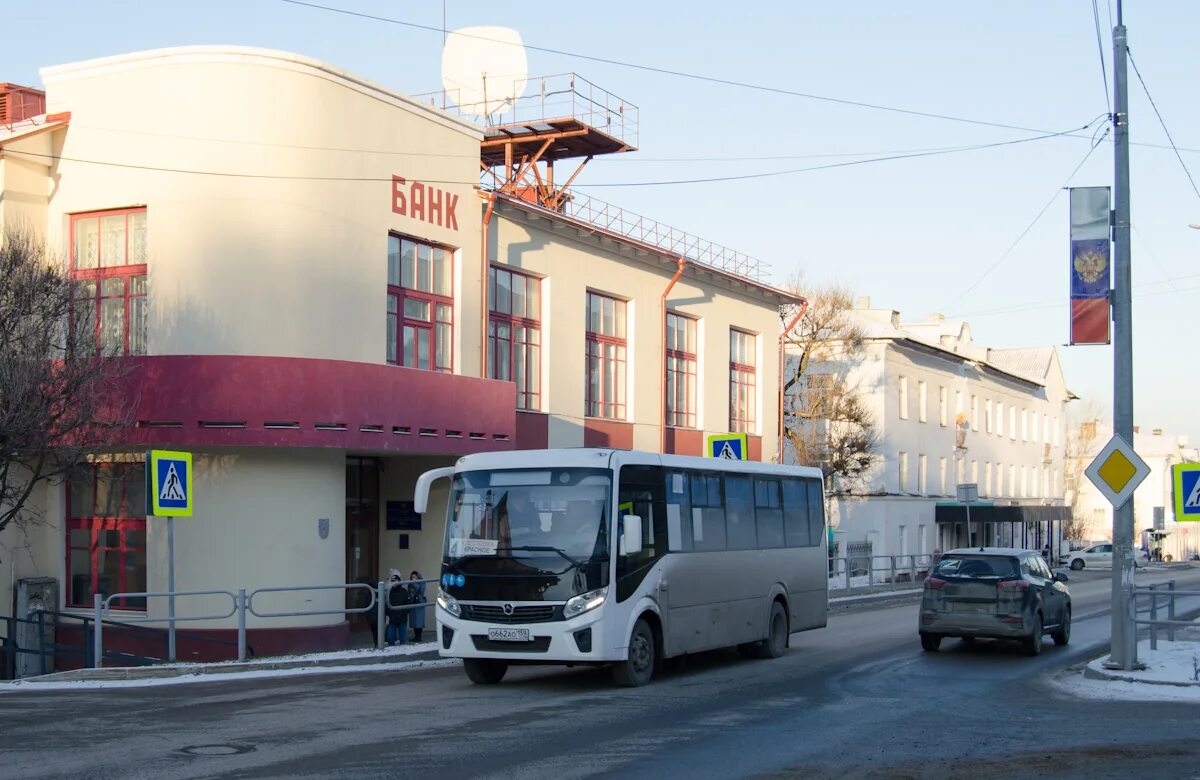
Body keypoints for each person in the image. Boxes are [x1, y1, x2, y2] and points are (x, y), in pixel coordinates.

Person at [385, 570, 410, 646]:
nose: (394, 582)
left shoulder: (404, 591)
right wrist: (388, 614)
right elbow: (386, 604)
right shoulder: (389, 591)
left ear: (399, 581)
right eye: (392, 581)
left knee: (403, 638)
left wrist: (404, 613)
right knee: (390, 637)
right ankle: (392, 650)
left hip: (402, 618)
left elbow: (408, 604)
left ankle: (403, 650)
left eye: (395, 580)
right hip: (392, 618)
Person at [407, 570, 427, 643]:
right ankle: (416, 636)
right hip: (412, 603)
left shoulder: (422, 582)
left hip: (419, 602)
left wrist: (414, 583)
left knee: (419, 621)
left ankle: (419, 637)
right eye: (412, 577)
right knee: (414, 621)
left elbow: (420, 590)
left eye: (414, 577)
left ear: (418, 577)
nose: (413, 578)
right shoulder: (410, 583)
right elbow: (409, 592)